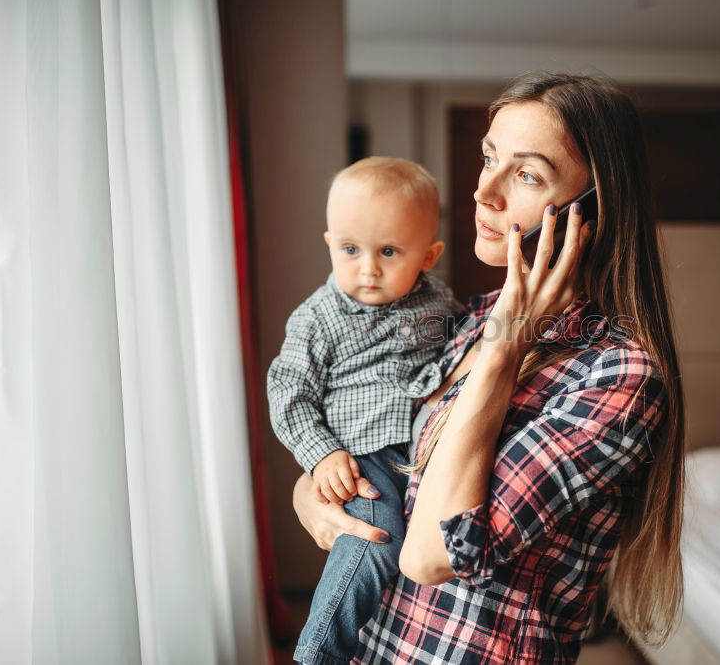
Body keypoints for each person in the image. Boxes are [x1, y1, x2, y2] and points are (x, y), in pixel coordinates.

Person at [291, 72, 686, 664]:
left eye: (526, 175)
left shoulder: (619, 379)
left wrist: (506, 346)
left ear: (592, 211)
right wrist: (310, 492)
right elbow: (388, 449)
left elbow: (429, 555)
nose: (484, 193)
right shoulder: (460, 319)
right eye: (488, 158)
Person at [267, 156, 462, 665]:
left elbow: (464, 350)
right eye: (350, 250)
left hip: (422, 452)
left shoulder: (440, 303)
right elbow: (288, 391)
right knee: (376, 539)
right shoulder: (319, 318)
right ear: (330, 243)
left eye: (390, 252)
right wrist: (322, 455)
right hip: (362, 457)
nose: (368, 268)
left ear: (428, 255)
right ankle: (317, 652)